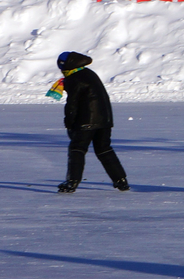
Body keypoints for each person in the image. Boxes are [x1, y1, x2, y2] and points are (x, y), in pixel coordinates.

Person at [53, 51, 129, 193]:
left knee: (77, 149)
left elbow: (72, 104)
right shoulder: (89, 73)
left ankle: (72, 182)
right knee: (104, 149)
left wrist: (69, 123)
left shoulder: (74, 78)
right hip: (104, 119)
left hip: (86, 121)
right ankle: (121, 180)